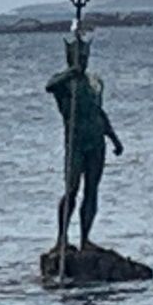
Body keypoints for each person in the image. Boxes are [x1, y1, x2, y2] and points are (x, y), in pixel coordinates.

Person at [47, 35, 123, 253]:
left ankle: (85, 239)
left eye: (84, 55)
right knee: (71, 190)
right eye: (77, 55)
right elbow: (49, 86)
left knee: (92, 190)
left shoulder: (95, 83)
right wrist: (72, 72)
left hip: (96, 142)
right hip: (76, 144)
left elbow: (99, 113)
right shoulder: (64, 83)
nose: (82, 59)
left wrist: (114, 138)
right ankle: (61, 238)